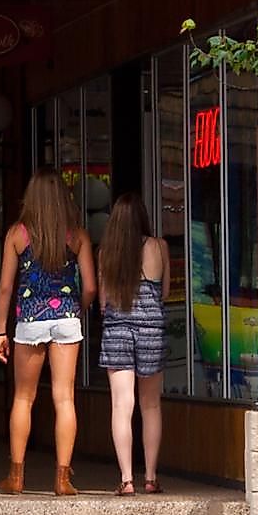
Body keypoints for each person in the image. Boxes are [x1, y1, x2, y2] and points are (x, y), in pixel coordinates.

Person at [0, 169, 96, 495]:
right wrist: (75, 307)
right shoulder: (77, 236)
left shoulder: (17, 235)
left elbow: (6, 287)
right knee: (64, 398)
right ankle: (62, 479)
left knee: (24, 397)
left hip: (30, 321)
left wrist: (0, 331)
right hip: (67, 319)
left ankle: (16, 476)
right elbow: (91, 287)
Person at [96, 189, 168, 494]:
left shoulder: (106, 253)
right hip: (151, 330)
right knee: (150, 405)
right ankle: (150, 477)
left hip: (117, 331)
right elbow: (163, 295)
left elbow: (102, 303)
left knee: (121, 406)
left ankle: (126, 479)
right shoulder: (158, 246)